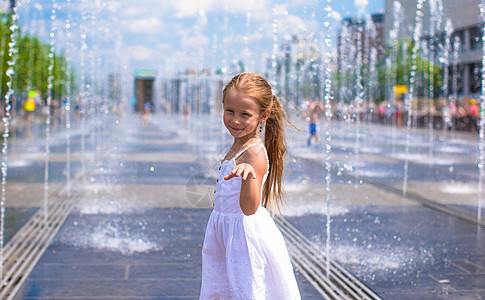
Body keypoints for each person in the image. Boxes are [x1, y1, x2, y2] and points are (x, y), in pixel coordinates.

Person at [200, 73, 301, 299]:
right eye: (230, 111)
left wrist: (248, 178)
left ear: (263, 116)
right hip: (226, 231)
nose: (235, 120)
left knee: (245, 289)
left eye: (245, 114)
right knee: (223, 286)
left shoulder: (254, 153)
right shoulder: (239, 144)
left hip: (243, 237)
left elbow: (250, 208)